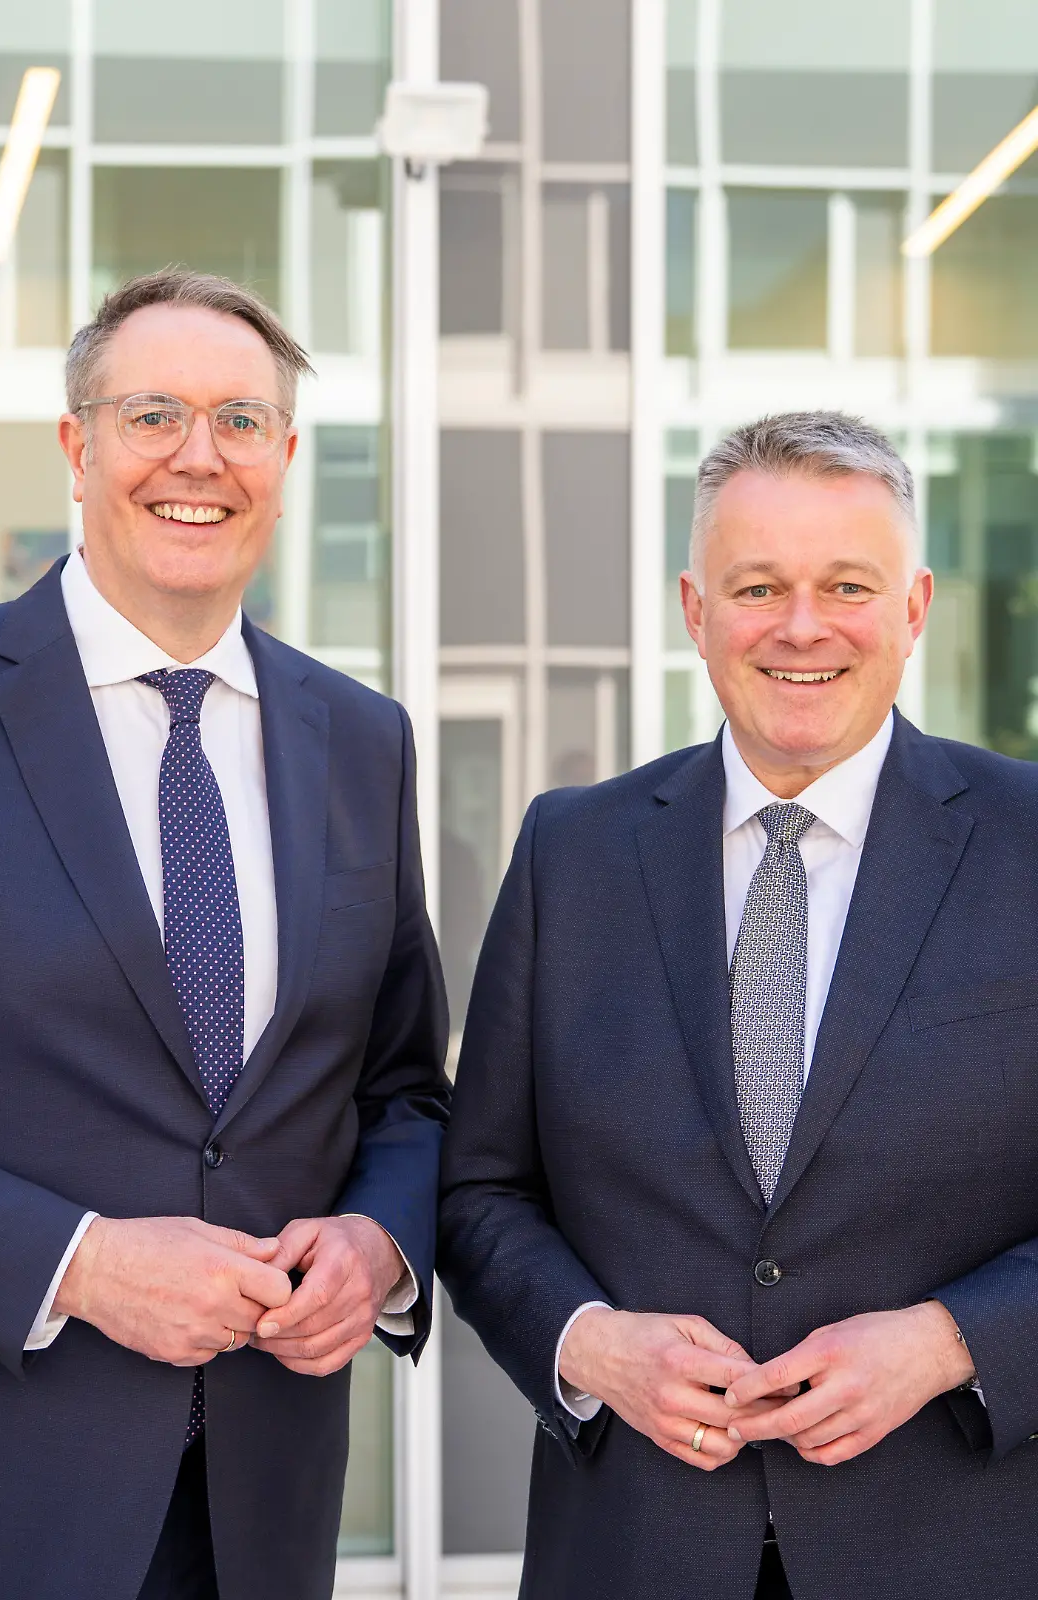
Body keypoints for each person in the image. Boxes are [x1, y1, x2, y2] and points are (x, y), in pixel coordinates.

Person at [0, 268, 449, 1600]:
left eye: (241, 421)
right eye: (153, 413)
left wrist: (378, 1245)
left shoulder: (361, 741)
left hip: (259, 1513)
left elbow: (403, 1090)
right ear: (77, 446)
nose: (198, 456)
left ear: (285, 461)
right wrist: (88, 1265)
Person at [438, 411, 1038, 1599]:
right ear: (694, 610)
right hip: (636, 1547)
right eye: (757, 585)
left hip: (958, 1544)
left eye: (846, 585)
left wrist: (953, 1342)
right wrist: (590, 1344)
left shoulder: (1030, 844)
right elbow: (479, 1190)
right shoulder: (574, 853)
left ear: (914, 607)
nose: (801, 626)